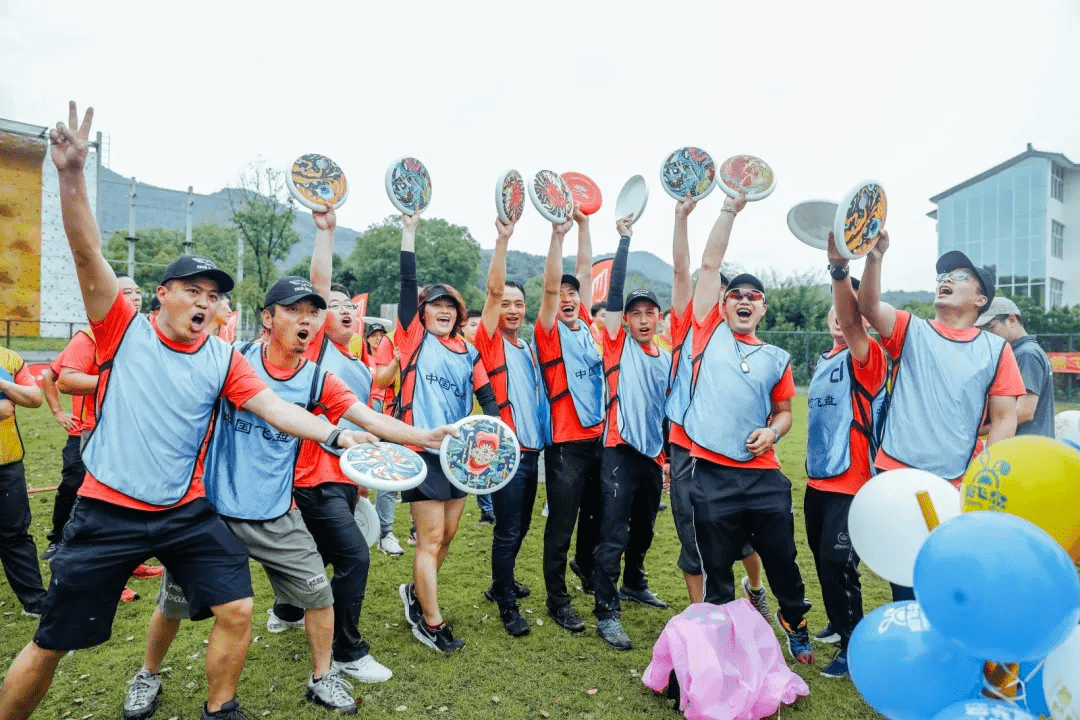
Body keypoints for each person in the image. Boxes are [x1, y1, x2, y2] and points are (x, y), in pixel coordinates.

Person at [0, 102, 374, 720]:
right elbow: (88, 252)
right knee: (51, 643)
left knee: (238, 607)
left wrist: (337, 436)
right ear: (163, 295)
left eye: (214, 296)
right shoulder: (124, 329)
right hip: (107, 508)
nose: (205, 303)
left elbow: (279, 410)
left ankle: (220, 707)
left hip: (184, 510)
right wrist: (70, 174)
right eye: (193, 292)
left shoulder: (224, 360)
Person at [682, 192, 816, 665]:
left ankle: (794, 623)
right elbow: (709, 262)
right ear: (720, 305)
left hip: (762, 475)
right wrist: (729, 210)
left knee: (782, 559)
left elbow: (784, 412)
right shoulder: (706, 332)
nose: (743, 300)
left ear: (763, 310)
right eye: (734, 294)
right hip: (712, 475)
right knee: (716, 568)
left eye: (752, 297)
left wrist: (773, 432)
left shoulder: (776, 358)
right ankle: (724, 644)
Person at [856, 234, 1024, 600]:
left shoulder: (996, 350)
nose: (946, 279)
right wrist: (875, 258)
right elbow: (867, 307)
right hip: (895, 474)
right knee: (904, 579)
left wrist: (979, 478)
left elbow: (1004, 418)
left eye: (960, 276)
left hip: (952, 483)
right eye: (943, 275)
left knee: (943, 578)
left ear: (981, 300)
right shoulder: (909, 328)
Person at [394, 211, 500, 653]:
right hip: (421, 450)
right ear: (422, 313)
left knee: (449, 535)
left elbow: (489, 399)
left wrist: (497, 439)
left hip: (458, 456)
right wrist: (409, 230)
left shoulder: (469, 351)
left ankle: (417, 594)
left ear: (458, 314)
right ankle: (431, 623)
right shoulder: (413, 339)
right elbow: (406, 284)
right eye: (434, 305)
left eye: (449, 306)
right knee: (431, 536)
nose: (442, 310)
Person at [664, 194, 767, 613]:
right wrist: (723, 210)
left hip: (732, 449)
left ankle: (756, 591)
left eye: (743, 294)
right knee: (691, 538)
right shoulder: (695, 328)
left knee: (744, 535)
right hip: (687, 448)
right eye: (726, 292)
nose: (731, 298)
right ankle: (702, 617)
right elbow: (698, 266)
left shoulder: (749, 342)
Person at [802, 234, 889, 678]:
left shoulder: (867, 355)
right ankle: (838, 625)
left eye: (850, 308)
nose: (842, 315)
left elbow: (855, 323)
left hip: (851, 484)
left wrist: (840, 269)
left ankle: (855, 646)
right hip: (819, 480)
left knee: (840, 565)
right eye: (836, 308)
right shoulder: (824, 359)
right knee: (821, 558)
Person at [591, 215, 672, 650]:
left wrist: (669, 459)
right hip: (618, 451)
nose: (642, 320)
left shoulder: (666, 357)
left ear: (660, 319)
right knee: (615, 533)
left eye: (649, 314)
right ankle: (606, 611)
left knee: (644, 531)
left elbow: (667, 412)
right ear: (625, 320)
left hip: (652, 456)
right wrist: (624, 242)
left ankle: (635, 583)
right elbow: (615, 294)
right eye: (635, 314)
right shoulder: (616, 345)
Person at [473, 216, 549, 636]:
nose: (513, 309)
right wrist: (503, 240)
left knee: (520, 526)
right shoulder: (489, 340)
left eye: (519, 303)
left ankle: (500, 582)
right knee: (508, 529)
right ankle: (505, 603)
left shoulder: (528, 346)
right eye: (507, 303)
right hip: (506, 453)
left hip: (533, 451)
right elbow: (493, 289)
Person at [533, 210, 604, 634]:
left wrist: (584, 225)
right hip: (564, 445)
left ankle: (587, 568)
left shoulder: (588, 327)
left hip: (599, 439)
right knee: (561, 528)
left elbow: (585, 272)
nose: (567, 297)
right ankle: (557, 599)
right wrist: (557, 236)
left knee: (595, 520)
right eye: (560, 293)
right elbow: (552, 285)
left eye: (573, 293)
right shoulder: (548, 330)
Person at [0, 344, 47, 620]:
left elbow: (34, 397)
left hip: (8, 461)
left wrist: (3, 383)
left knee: (16, 534)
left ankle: (35, 602)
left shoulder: (10, 358)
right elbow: (5, 409)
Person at [975, 297, 1055, 437]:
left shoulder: (1026, 354)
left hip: (1026, 450)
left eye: (990, 327)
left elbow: (1025, 411)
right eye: (982, 329)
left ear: (1012, 320)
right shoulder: (1027, 351)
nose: (986, 334)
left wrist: (976, 432)